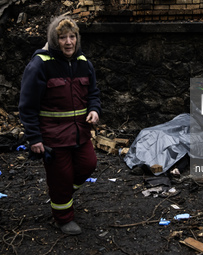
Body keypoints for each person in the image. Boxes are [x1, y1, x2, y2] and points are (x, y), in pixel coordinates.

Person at [19, 16, 101, 235]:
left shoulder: (84, 62)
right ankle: (63, 218)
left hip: (79, 133)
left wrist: (94, 110)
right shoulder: (40, 64)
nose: (68, 42)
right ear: (54, 40)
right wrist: (34, 138)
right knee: (61, 178)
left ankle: (62, 194)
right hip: (52, 136)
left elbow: (93, 92)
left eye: (72, 37)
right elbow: (27, 105)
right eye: (62, 37)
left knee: (88, 164)